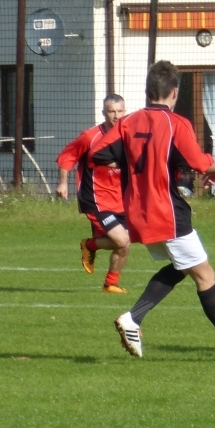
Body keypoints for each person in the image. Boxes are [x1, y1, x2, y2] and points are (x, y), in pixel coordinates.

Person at [91, 61, 215, 363]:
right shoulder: (176, 123)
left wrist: (135, 169)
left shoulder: (127, 122)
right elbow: (200, 163)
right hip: (167, 213)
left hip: (138, 213)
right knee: (204, 275)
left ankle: (134, 318)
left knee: (181, 267)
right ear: (175, 92)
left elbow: (99, 154)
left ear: (149, 91)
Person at [57, 94, 130, 294]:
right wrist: (63, 183)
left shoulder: (128, 136)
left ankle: (110, 284)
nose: (116, 116)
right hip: (95, 199)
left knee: (124, 244)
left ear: (125, 111)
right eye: (111, 111)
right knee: (121, 240)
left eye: (120, 111)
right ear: (103, 113)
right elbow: (66, 156)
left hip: (120, 200)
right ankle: (89, 245)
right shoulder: (91, 137)